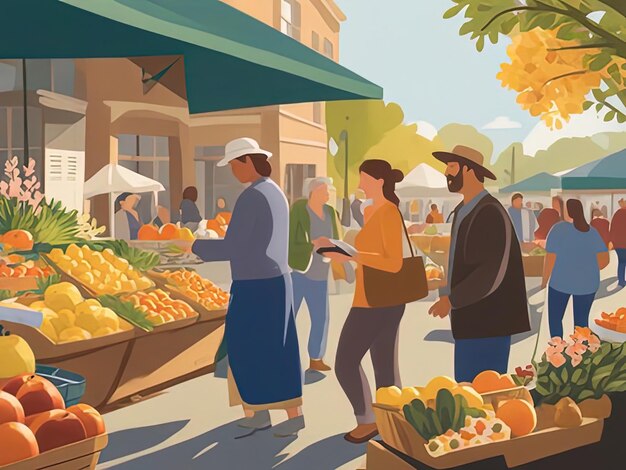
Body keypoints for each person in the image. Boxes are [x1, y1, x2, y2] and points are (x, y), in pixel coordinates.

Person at [191, 137, 304, 438]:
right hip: (278, 280)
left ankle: (257, 413)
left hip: (255, 285)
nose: (232, 172)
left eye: (233, 165)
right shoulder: (275, 191)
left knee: (244, 348)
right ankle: (290, 415)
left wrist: (193, 245)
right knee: (279, 347)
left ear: (247, 162)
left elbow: (235, 246)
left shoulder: (251, 196)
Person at [319, 159, 406, 444]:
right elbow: (371, 257)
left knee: (346, 362)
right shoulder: (372, 211)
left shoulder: (389, 213)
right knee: (383, 365)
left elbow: (393, 264)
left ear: (380, 181)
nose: (359, 184)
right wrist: (340, 252)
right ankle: (390, 421)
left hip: (377, 302)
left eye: (364, 179)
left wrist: (351, 255)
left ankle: (369, 421)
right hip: (371, 298)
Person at [429, 145, 530, 383]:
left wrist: (452, 300)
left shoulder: (490, 212)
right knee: (467, 393)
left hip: (489, 323)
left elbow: (490, 272)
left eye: (452, 166)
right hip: (470, 321)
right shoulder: (463, 210)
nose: (447, 172)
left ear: (469, 170)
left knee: (485, 394)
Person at [289, 177, 342, 372]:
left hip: (321, 273)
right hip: (300, 271)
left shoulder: (330, 212)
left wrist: (334, 249)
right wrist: (313, 244)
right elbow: (290, 240)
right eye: (324, 191)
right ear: (313, 192)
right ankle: (280, 355)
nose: (327, 194)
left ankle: (316, 358)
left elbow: (338, 238)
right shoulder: (299, 210)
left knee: (321, 318)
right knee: (288, 316)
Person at [543, 199, 610, 338]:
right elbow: (604, 260)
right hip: (587, 284)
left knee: (555, 320)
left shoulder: (558, 229)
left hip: (560, 282)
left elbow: (550, 258)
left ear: (567, 211)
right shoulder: (592, 232)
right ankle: (579, 355)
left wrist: (544, 281)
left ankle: (556, 352)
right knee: (581, 325)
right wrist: (586, 267)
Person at [610, 198, 626, 287]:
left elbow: (612, 228)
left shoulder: (617, 214)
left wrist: (612, 241)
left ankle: (621, 281)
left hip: (618, 244)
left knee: (622, 262)